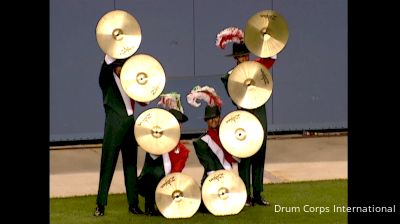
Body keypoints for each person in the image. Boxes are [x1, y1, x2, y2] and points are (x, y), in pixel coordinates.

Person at [217, 27, 277, 207]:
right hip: (243, 115)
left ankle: (258, 193)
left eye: (245, 55)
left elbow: (272, 57)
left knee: (260, 154)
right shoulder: (229, 76)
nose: (244, 59)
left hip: (259, 112)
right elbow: (234, 95)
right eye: (241, 57)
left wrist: (263, 39)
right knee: (245, 156)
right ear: (236, 59)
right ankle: (246, 195)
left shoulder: (257, 67)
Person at [94, 54, 148, 216]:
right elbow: (104, 68)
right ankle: (100, 205)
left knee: (131, 165)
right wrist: (113, 50)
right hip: (114, 125)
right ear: (114, 67)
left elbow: (144, 100)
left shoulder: (130, 83)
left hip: (131, 124)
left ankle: (133, 204)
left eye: (123, 66)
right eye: (119, 66)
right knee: (108, 164)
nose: (121, 70)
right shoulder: (107, 80)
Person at [187, 86, 238, 212]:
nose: (213, 120)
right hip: (213, 179)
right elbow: (209, 165)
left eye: (215, 117)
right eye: (210, 118)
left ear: (220, 118)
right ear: (206, 121)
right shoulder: (201, 142)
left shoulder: (227, 135)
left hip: (229, 176)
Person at [138, 93, 191, 216]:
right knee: (153, 175)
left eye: (180, 124)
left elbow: (176, 173)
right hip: (150, 182)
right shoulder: (155, 142)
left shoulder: (183, 150)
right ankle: (149, 205)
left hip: (170, 184)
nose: (178, 127)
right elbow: (150, 164)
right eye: (175, 124)